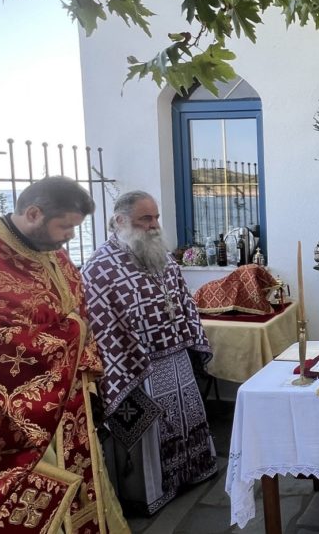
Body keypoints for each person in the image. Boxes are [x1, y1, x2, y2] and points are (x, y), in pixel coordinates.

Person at [0, 176, 129, 533]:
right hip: (8, 417)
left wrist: (79, 349)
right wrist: (71, 333)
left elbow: (76, 307)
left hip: (66, 401)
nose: (70, 236)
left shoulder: (52, 253)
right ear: (33, 214)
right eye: (65, 226)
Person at [81, 191, 218, 516]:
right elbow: (101, 326)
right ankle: (155, 492)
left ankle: (194, 472)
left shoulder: (163, 257)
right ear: (120, 221)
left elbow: (183, 303)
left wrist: (190, 341)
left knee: (187, 418)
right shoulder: (99, 268)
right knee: (151, 433)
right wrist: (129, 358)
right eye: (146, 218)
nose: (154, 224)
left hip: (177, 359)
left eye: (156, 217)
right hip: (137, 368)